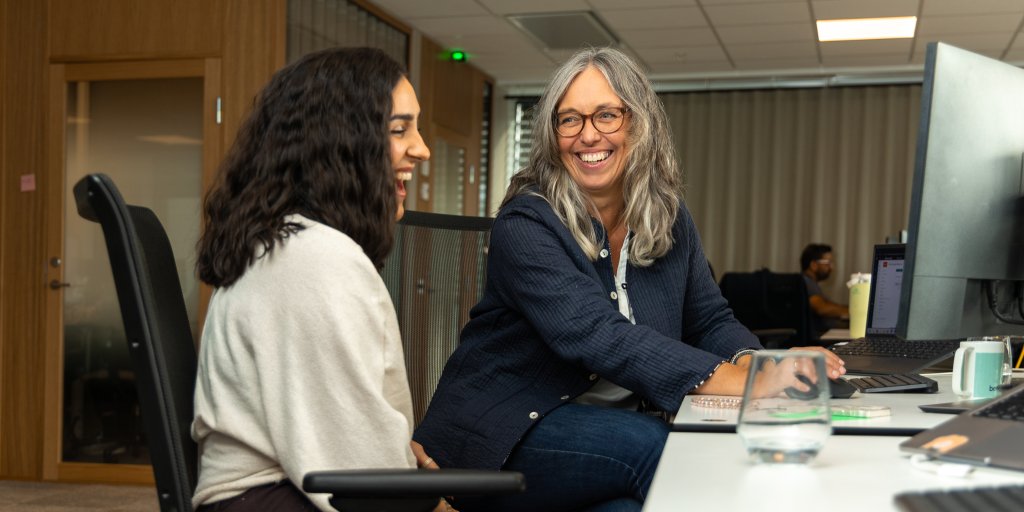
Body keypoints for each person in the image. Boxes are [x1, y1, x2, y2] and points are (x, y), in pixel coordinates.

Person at [413, 47, 845, 512]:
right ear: (552, 133)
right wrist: (749, 383)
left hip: (600, 439)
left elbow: (709, 319)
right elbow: (597, 335)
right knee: (660, 449)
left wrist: (759, 366)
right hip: (505, 430)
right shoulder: (526, 223)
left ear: (639, 124)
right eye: (570, 120)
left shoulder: (668, 217)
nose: (588, 135)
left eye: (606, 115)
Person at [191, 47, 439, 511]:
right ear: (342, 141)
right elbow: (361, 471)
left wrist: (399, 455)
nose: (421, 149)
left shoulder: (287, 247)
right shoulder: (316, 260)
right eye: (399, 129)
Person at [800, 243, 850, 338]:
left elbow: (826, 304)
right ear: (814, 265)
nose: (831, 268)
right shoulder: (806, 283)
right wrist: (852, 311)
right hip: (817, 339)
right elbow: (822, 308)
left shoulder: (809, 283)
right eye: (828, 263)